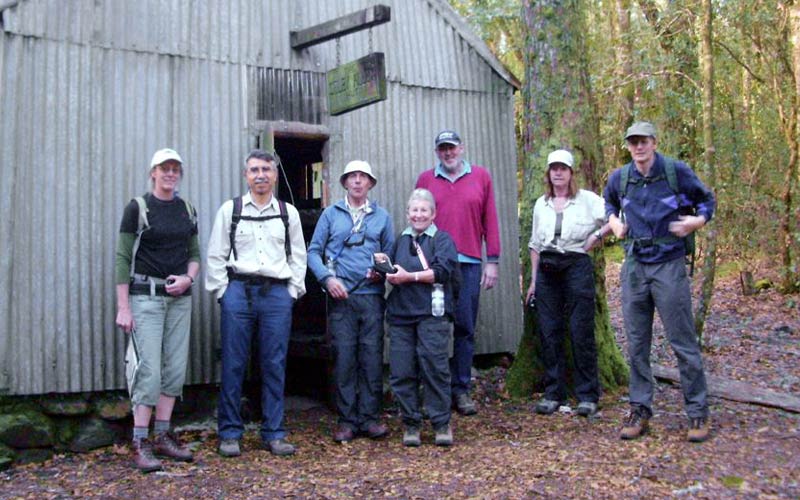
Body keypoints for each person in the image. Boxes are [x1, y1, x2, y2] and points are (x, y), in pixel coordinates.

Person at [603, 121, 715, 442]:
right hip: (635, 265)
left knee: (682, 341)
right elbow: (609, 202)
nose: (638, 147)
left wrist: (696, 221)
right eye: (632, 142)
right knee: (637, 343)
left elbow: (707, 200)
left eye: (643, 141)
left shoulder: (675, 172)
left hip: (669, 265)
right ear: (628, 146)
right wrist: (613, 221)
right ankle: (639, 409)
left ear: (654, 142)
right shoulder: (620, 178)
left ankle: (697, 413)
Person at [206, 149, 307, 457]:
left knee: (274, 364)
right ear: (246, 175)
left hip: (277, 295)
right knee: (234, 364)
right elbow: (215, 255)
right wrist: (223, 293)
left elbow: (298, 256)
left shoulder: (288, 213)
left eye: (266, 169)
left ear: (275, 174)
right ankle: (230, 434)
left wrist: (292, 292)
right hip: (239, 292)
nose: (260, 175)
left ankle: (274, 433)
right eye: (254, 170)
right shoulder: (230, 210)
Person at [115, 148, 200, 472]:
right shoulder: (137, 208)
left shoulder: (187, 210)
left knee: (175, 369)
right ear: (153, 172)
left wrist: (188, 279)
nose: (170, 174)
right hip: (145, 298)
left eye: (175, 169)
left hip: (179, 298)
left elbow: (194, 254)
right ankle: (140, 441)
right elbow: (123, 258)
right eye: (164, 168)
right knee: (147, 370)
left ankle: (163, 436)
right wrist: (124, 307)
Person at [307, 160, 395, 443]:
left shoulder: (382, 217)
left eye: (363, 177)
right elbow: (313, 252)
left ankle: (369, 418)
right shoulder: (331, 215)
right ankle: (346, 420)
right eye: (352, 176)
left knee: (370, 358)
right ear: (345, 182)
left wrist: (380, 272)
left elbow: (389, 256)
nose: (358, 181)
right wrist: (327, 280)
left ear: (370, 183)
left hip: (371, 299)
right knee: (344, 359)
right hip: (341, 299)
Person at [415, 130, 500, 416]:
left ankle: (461, 389)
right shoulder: (427, 179)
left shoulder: (481, 177)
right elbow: (417, 218)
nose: (448, 153)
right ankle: (433, 391)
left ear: (461, 148)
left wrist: (493, 260)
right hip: (436, 266)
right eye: (442, 149)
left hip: (470, 264)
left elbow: (490, 218)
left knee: (464, 327)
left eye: (452, 148)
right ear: (437, 152)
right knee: (432, 328)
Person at [524, 149, 607, 418]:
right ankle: (553, 393)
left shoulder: (587, 200)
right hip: (548, 269)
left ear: (571, 172)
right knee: (549, 331)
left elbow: (615, 218)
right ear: (548, 173)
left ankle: (587, 395)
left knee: (580, 329)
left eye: (563, 168)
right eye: (553, 168)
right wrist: (534, 281)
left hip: (576, 265)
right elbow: (535, 244)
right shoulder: (541, 203)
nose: (558, 173)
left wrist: (596, 235)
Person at [382, 188, 459, 447]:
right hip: (401, 314)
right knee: (402, 370)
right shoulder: (399, 241)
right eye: (414, 210)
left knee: (434, 368)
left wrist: (409, 277)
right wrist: (382, 270)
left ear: (433, 213)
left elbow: (443, 271)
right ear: (407, 214)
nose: (418, 215)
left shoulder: (442, 240)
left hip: (431, 315)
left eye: (423, 210)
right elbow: (392, 270)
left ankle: (440, 423)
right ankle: (411, 424)